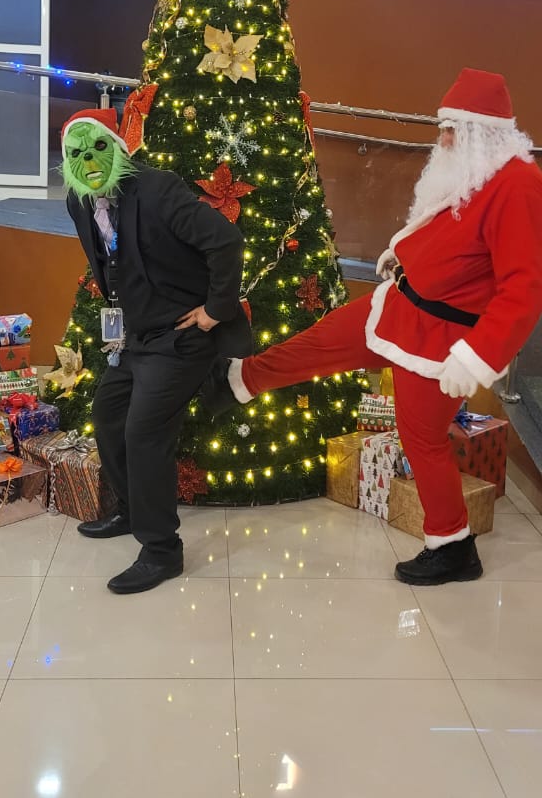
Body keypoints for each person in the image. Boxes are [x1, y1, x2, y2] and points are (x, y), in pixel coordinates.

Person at [205, 68, 542, 585]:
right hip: (399, 306)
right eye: (443, 127)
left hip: (439, 339)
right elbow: (447, 232)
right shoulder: (475, 169)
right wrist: (404, 255)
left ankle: (453, 545)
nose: (443, 139)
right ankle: (236, 381)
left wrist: (477, 357)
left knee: (421, 438)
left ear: (482, 133)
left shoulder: (517, 184)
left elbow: (525, 287)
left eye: (452, 129)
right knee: (320, 344)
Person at [61, 107, 252, 594]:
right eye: (77, 153)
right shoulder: (79, 201)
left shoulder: (157, 189)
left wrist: (215, 310)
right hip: (136, 335)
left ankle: (162, 550)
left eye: (98, 147)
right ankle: (130, 509)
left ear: (118, 148)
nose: (89, 161)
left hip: (181, 336)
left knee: (144, 432)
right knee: (108, 414)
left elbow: (226, 241)